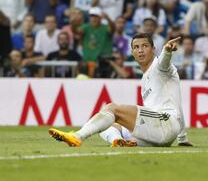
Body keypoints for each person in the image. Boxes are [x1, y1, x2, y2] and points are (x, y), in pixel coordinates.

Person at [49, 34, 189, 148]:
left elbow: (164, 62)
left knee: (112, 108)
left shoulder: (160, 67)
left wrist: (167, 51)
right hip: (157, 132)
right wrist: (182, 138)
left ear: (153, 49)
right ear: (132, 53)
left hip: (165, 124)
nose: (140, 50)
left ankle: (77, 136)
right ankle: (118, 141)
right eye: (136, 47)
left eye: (145, 46)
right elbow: (178, 106)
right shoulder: (144, 79)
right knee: (105, 124)